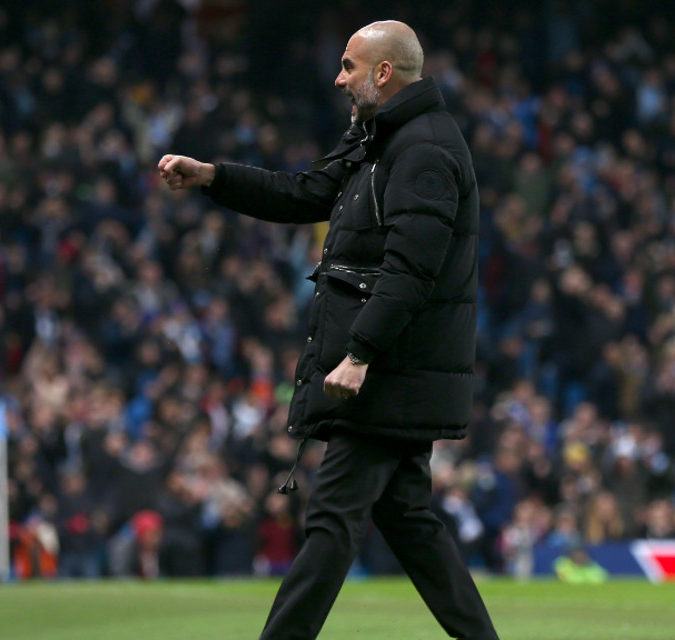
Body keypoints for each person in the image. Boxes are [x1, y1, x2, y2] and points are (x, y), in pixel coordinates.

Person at [159, 20, 499, 640]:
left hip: (390, 372)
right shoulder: (378, 139)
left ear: (383, 73)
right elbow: (304, 193)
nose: (339, 80)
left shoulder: (422, 151)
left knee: (332, 520)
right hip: (396, 368)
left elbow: (411, 270)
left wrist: (360, 354)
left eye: (349, 67)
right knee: (410, 524)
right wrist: (213, 176)